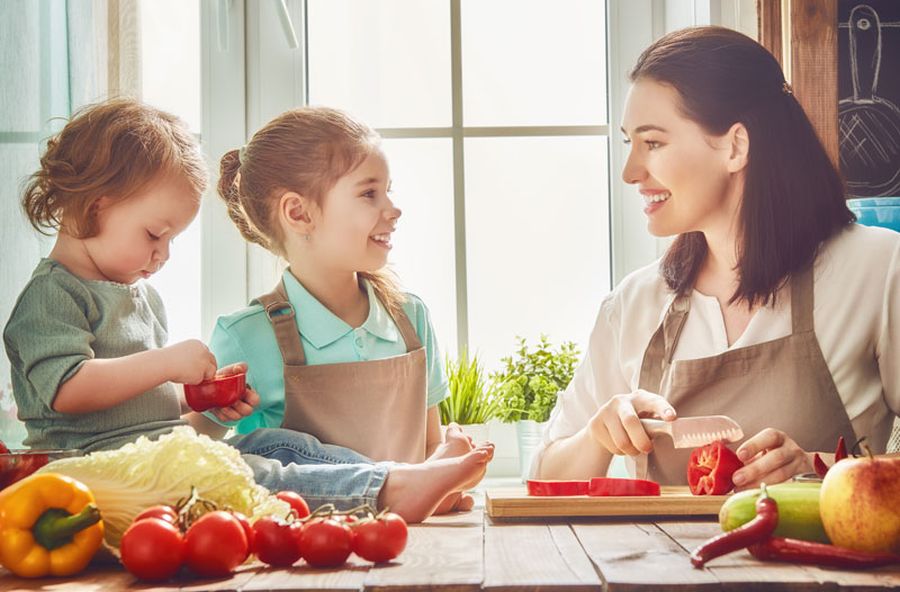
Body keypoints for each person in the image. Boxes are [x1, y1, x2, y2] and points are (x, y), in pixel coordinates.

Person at [3, 98, 492, 522]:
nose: (164, 254)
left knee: (279, 445)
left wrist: (198, 402)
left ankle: (399, 479)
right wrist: (169, 364)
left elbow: (137, 399)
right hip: (95, 472)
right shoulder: (53, 295)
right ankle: (392, 490)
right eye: (155, 234)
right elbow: (64, 389)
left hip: (163, 456)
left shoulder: (139, 295)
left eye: (170, 239)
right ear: (95, 207)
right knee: (262, 476)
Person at [532, 26, 899, 489]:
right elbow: (544, 477)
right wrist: (597, 436)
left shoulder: (876, 269)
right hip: (658, 565)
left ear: (735, 146)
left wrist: (818, 466)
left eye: (653, 143)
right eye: (630, 144)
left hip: (814, 563)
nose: (630, 173)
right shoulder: (635, 304)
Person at [186, 106, 490, 512]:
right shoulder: (246, 336)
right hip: (303, 549)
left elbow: (430, 443)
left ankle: (403, 490)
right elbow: (194, 453)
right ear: (299, 213)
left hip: (407, 542)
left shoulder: (409, 319)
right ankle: (390, 488)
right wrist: (209, 411)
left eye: (388, 190)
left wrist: (441, 467)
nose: (393, 208)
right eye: (369, 193)